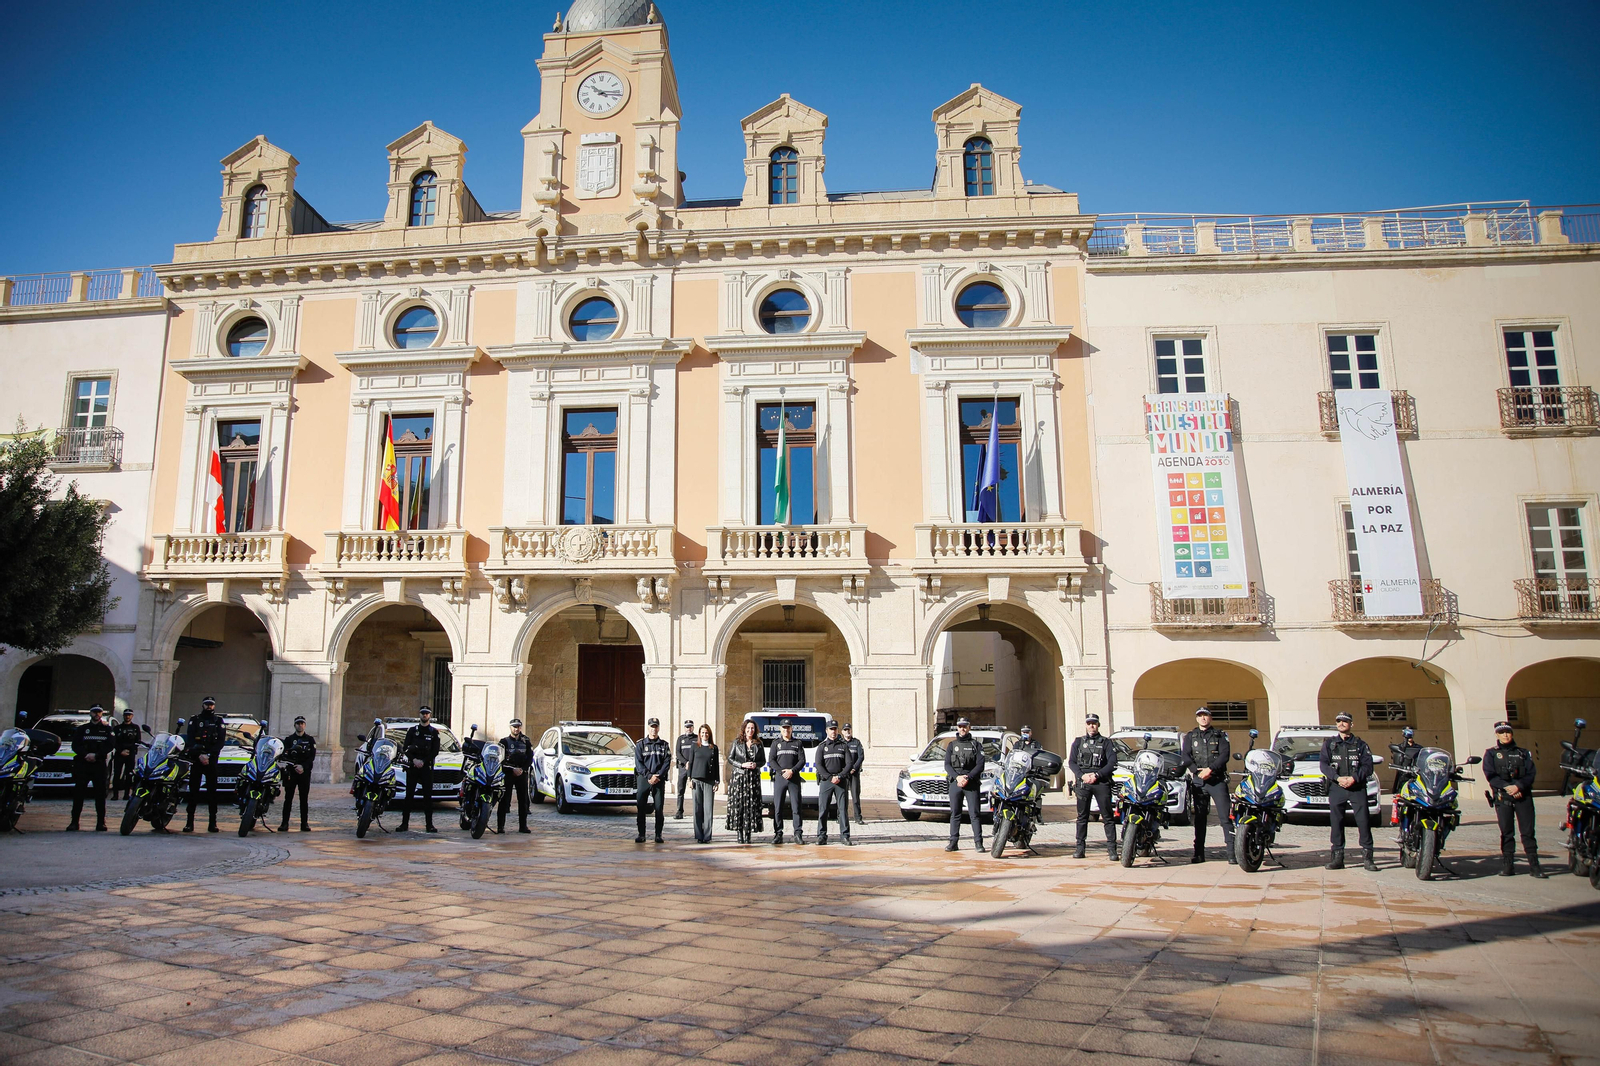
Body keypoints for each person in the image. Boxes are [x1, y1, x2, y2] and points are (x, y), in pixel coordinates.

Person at [1485, 721, 1545, 878]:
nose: (1505, 735)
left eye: (1508, 732)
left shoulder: (1523, 753)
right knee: (1507, 832)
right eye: (1502, 732)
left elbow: (1530, 774)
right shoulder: (1491, 753)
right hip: (1503, 796)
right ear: (1496, 734)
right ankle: (1508, 865)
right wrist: (1508, 788)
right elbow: (1490, 775)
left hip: (1523, 796)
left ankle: (1535, 866)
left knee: (1528, 832)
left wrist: (1518, 786)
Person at [1320, 712, 1377, 871]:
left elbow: (1367, 766)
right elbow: (1324, 765)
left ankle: (1368, 858)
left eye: (1345, 721)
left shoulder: (1360, 744)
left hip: (1356, 787)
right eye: (1339, 721)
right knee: (1336, 822)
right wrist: (1337, 778)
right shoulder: (1329, 744)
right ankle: (1337, 858)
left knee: (1363, 821)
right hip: (1337, 787)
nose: (1342, 723)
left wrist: (1354, 778)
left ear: (1351, 724)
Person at [1181, 707, 1235, 864]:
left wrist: (1210, 769)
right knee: (1200, 819)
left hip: (1217, 781)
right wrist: (1195, 771)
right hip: (1199, 781)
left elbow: (1225, 755)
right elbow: (1186, 755)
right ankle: (1198, 854)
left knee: (1225, 818)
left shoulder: (1220, 735)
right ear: (1196, 718)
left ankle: (1232, 853)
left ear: (1210, 718)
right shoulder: (1191, 736)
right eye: (1200, 716)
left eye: (1206, 715)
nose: (1203, 718)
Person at [1070, 713, 1118, 860]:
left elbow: (1112, 762)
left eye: (1094, 723)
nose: (1092, 726)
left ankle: (1112, 849)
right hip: (1084, 782)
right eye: (1089, 723)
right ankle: (1080, 848)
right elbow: (1072, 762)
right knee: (1082, 817)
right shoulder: (1078, 742)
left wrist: (1097, 775)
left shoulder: (1106, 743)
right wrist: (1081, 775)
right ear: (1085, 725)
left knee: (1107, 817)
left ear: (1098, 725)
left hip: (1101, 782)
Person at [67, 704, 116, 831]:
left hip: (98, 765)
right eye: (94, 712)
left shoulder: (107, 730)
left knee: (100, 795)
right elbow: (75, 746)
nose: (97, 714)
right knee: (79, 794)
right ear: (90, 713)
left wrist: (97, 755)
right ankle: (74, 822)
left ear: (102, 714)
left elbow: (110, 745)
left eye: (99, 712)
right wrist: (86, 754)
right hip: (83, 764)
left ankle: (101, 823)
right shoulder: (82, 729)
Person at [183, 697, 227, 833]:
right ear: (203, 705)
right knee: (193, 792)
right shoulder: (195, 720)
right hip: (197, 759)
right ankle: (189, 822)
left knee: (212, 793)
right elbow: (189, 739)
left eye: (211, 705)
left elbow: (220, 741)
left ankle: (212, 823)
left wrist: (208, 755)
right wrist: (199, 754)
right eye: (207, 704)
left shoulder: (218, 721)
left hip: (211, 759)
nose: (209, 707)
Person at [944, 717, 986, 853]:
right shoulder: (951, 745)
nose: (962, 729)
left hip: (971, 782)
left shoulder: (976, 745)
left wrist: (968, 777)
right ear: (957, 727)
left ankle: (978, 843)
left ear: (969, 727)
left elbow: (980, 765)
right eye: (960, 726)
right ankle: (953, 842)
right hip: (956, 782)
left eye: (965, 726)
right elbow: (947, 765)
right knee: (955, 813)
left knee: (974, 814)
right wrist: (957, 777)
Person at [398, 707, 440, 833]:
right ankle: (404, 824)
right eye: (423, 713)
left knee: (428, 797)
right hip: (413, 766)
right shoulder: (412, 731)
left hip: (426, 767)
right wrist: (414, 760)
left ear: (430, 716)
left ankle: (429, 825)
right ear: (419, 715)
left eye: (427, 714)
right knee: (409, 796)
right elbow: (405, 748)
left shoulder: (434, 732)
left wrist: (423, 761)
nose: (425, 716)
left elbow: (435, 751)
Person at [725, 719, 765, 844]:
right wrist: (742, 765)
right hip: (739, 778)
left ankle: (748, 834)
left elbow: (763, 761)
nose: (750, 730)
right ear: (744, 729)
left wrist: (755, 764)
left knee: (751, 806)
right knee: (739, 806)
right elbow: (730, 758)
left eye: (752, 728)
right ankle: (739, 833)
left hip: (752, 778)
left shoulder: (759, 743)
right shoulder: (737, 742)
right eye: (748, 728)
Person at [816, 720, 855, 846]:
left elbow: (849, 763)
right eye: (831, 729)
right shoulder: (822, 746)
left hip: (840, 781)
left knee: (842, 809)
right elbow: (819, 764)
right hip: (826, 782)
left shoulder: (843, 746)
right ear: (826, 731)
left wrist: (840, 776)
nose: (833, 732)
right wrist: (829, 777)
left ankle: (845, 836)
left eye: (835, 729)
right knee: (823, 809)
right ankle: (822, 836)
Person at [768, 719, 807, 845]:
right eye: (784, 728)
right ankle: (778, 833)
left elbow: (802, 760)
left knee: (796, 807)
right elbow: (772, 760)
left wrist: (792, 771)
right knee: (778, 807)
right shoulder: (775, 744)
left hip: (794, 778)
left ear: (792, 729)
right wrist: (781, 771)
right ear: (780, 729)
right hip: (780, 778)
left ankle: (798, 833)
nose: (786, 730)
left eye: (788, 727)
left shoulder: (797, 743)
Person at [635, 717, 671, 843]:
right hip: (644, 779)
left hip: (659, 780)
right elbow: (638, 763)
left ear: (659, 728)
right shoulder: (640, 745)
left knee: (659, 808)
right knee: (641, 807)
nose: (653, 729)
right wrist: (649, 776)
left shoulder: (664, 745)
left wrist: (658, 776)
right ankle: (641, 834)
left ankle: (658, 834)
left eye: (656, 726)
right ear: (648, 728)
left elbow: (667, 762)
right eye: (651, 726)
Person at [278, 716, 316, 832]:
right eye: (298, 723)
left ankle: (304, 824)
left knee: (304, 799)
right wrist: (293, 765)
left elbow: (311, 757)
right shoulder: (289, 740)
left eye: (302, 723)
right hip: (292, 771)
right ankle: (284, 823)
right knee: (288, 798)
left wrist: (303, 766)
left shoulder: (310, 740)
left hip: (304, 773)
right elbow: (284, 754)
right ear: (295, 725)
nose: (300, 725)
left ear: (305, 725)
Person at [498, 718, 533, 835]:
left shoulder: (526, 741)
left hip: (521, 774)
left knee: (523, 801)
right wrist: (511, 769)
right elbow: (500, 759)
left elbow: (529, 758)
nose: (516, 729)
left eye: (518, 727)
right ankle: (500, 826)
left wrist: (522, 769)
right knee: (504, 800)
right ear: (510, 728)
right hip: (508, 773)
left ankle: (523, 826)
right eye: (514, 727)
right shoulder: (504, 742)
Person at [689, 724, 721, 843]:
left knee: (708, 809)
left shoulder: (714, 748)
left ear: (710, 734)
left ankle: (707, 836)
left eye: (706, 733)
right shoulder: (694, 746)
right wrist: (689, 779)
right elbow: (690, 763)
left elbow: (717, 765)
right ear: (699, 734)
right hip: (696, 780)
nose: (704, 735)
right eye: (702, 733)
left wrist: (716, 781)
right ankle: (698, 835)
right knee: (697, 809)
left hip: (709, 781)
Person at [110, 709, 141, 801]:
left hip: (130, 754)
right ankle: (115, 795)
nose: (127, 717)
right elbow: (114, 742)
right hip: (119, 753)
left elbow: (138, 741)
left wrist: (129, 751)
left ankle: (127, 794)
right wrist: (120, 751)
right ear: (123, 716)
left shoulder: (135, 728)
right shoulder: (117, 728)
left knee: (129, 775)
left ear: (132, 716)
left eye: (129, 715)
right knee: (117, 774)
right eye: (126, 715)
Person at [842, 723, 866, 826]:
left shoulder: (856, 742)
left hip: (854, 773)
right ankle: (841, 817)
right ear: (842, 732)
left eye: (849, 730)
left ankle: (858, 817)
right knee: (843, 796)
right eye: (845, 730)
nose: (847, 732)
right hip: (843, 773)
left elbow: (861, 757)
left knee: (855, 796)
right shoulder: (840, 743)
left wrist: (854, 768)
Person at [674, 719, 697, 820]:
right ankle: (679, 811)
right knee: (680, 790)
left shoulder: (697, 738)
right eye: (687, 727)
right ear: (684, 728)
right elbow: (678, 753)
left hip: (694, 768)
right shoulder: (680, 739)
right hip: (683, 767)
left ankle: (697, 812)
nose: (689, 728)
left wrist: (691, 763)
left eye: (690, 726)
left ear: (693, 727)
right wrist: (685, 762)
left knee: (696, 790)